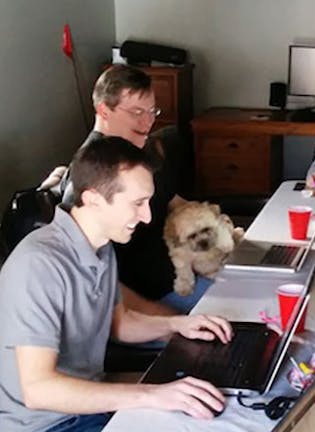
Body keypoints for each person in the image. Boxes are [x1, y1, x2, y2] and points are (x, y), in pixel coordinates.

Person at [0, 137, 234, 432]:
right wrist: (152, 394)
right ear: (92, 199)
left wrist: (178, 324)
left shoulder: (100, 246)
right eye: (138, 203)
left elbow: (119, 322)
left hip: (88, 408)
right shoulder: (38, 265)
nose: (148, 216)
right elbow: (39, 390)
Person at [62, 64, 208, 316]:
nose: (148, 121)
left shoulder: (141, 154)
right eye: (137, 112)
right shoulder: (93, 171)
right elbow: (92, 276)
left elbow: (175, 203)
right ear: (103, 111)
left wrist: (225, 238)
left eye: (152, 111)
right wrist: (169, 320)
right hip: (149, 302)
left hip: (181, 278)